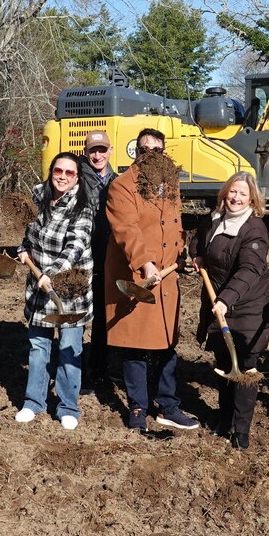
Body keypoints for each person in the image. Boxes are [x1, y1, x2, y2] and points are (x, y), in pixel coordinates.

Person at [104, 127, 198, 432]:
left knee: (167, 342)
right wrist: (145, 264)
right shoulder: (121, 186)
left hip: (167, 277)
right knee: (136, 345)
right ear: (136, 152)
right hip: (137, 277)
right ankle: (137, 407)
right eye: (144, 150)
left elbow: (175, 224)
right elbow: (126, 229)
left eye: (157, 150)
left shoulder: (170, 184)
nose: (151, 156)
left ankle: (168, 406)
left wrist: (182, 252)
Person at [190, 171, 269, 450]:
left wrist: (226, 299)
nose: (236, 198)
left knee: (246, 368)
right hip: (219, 304)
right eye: (232, 192)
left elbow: (250, 269)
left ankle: (241, 430)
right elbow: (198, 239)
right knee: (225, 363)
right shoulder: (215, 219)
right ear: (225, 193)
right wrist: (197, 254)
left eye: (242, 194)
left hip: (249, 305)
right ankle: (224, 420)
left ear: (252, 199)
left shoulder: (254, 229)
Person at [15, 152, 94, 429]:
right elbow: (27, 234)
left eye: (69, 173)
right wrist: (23, 250)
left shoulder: (82, 207)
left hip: (70, 287)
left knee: (70, 347)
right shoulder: (38, 198)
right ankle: (33, 402)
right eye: (58, 170)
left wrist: (52, 273)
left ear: (77, 178)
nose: (62, 176)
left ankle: (67, 406)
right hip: (40, 287)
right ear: (51, 172)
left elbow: (76, 245)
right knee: (39, 347)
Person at [77, 131, 117, 393]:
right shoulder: (76, 179)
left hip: (109, 258)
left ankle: (99, 370)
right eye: (93, 150)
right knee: (78, 319)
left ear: (110, 151)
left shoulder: (118, 182)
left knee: (103, 317)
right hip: (82, 258)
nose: (98, 155)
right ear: (86, 152)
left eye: (102, 150)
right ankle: (76, 373)